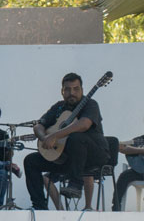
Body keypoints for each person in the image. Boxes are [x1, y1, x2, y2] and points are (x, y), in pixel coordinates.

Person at [24, 73, 109, 210]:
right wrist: (44, 137)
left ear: (82, 89)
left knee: (76, 136)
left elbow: (84, 124)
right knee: (30, 161)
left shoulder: (91, 104)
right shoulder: (58, 107)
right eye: (67, 89)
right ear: (62, 91)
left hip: (94, 156)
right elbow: (39, 125)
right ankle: (39, 206)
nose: (72, 93)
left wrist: (56, 136)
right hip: (68, 158)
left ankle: (76, 185)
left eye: (76, 89)